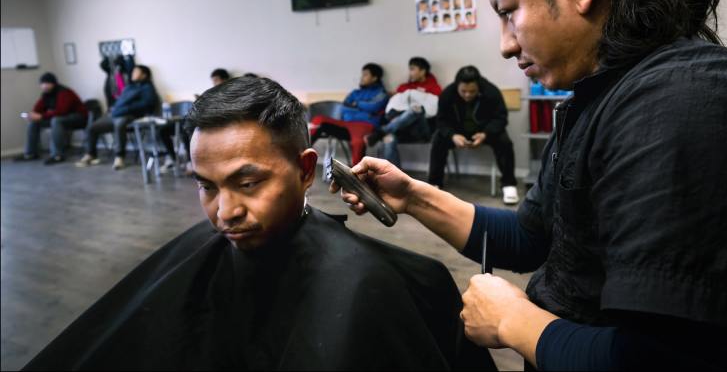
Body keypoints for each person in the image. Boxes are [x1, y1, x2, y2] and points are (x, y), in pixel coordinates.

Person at [333, 0, 727, 370]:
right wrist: (412, 195)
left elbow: (667, 361)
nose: (506, 46)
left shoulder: (692, 103)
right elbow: (532, 237)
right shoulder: (601, 96)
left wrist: (514, 321)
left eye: (510, 12)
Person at [23, 76, 496, 371]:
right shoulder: (195, 259)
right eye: (206, 186)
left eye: (247, 183)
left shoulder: (385, 283)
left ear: (306, 170)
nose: (224, 212)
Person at [428, 66, 518, 204]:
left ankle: (509, 185)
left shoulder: (491, 92)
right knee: (438, 139)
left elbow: (501, 118)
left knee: (504, 141)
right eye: (463, 91)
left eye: (472, 91)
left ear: (479, 86)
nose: (468, 95)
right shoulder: (447, 94)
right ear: (457, 86)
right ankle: (434, 184)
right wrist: (452, 135)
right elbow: (441, 121)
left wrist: (485, 134)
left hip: (485, 131)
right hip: (457, 132)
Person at [77, 65, 159, 170]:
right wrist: (114, 109)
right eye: (133, 71)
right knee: (92, 127)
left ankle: (119, 157)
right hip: (116, 114)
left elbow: (147, 103)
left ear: (144, 75)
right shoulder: (129, 87)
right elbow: (120, 101)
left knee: (119, 125)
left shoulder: (147, 87)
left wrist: (127, 109)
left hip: (132, 115)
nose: (133, 73)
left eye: (136, 72)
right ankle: (90, 154)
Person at [367, 57, 441, 167]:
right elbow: (395, 105)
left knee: (416, 109)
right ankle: (394, 178)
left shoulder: (435, 88)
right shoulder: (403, 87)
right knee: (388, 138)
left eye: (412, 69)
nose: (409, 73)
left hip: (421, 130)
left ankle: (381, 131)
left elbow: (434, 109)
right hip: (400, 129)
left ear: (423, 71)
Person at [309, 63, 388, 166]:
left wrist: (356, 104)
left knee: (357, 144)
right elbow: (344, 107)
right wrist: (363, 108)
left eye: (365, 74)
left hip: (365, 125)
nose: (362, 77)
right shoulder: (355, 93)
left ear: (374, 78)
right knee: (319, 120)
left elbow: (374, 107)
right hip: (346, 124)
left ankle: (356, 176)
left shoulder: (382, 93)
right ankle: (300, 153)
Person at [17, 72, 88, 165]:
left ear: (53, 83)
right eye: (42, 84)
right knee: (34, 122)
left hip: (78, 117)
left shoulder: (64, 92)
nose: (44, 86)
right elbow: (37, 109)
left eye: (47, 83)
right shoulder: (45, 95)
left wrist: (41, 116)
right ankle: (30, 153)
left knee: (56, 120)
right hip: (61, 118)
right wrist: (31, 115)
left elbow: (62, 111)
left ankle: (57, 155)